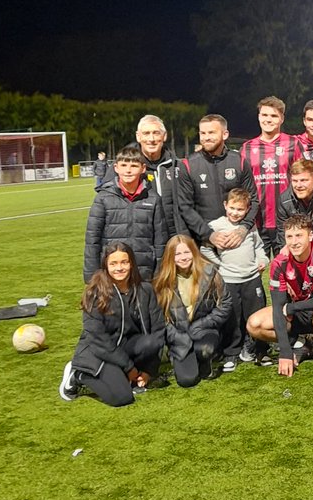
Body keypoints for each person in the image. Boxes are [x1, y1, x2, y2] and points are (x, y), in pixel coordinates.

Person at [60, 242, 164, 406]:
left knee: (151, 342)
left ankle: (124, 375)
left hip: (127, 348)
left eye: (124, 262)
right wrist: (130, 368)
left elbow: (158, 331)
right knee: (122, 398)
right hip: (99, 352)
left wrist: (148, 372)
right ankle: (78, 375)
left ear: (131, 264)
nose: (119, 268)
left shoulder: (145, 290)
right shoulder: (95, 293)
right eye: (113, 263)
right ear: (105, 266)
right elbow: (98, 339)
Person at [247, 215, 313, 375]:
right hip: (298, 316)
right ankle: (300, 342)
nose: (294, 242)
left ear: (310, 236)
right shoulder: (279, 263)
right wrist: (285, 351)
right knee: (254, 324)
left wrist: (292, 307)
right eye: (289, 237)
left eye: (299, 235)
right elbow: (279, 307)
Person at [201, 188, 271, 371]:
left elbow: (259, 247)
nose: (235, 213)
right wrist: (220, 265)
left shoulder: (249, 227)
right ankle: (231, 352)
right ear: (225, 205)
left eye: (240, 210)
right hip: (228, 280)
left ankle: (259, 349)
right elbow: (205, 250)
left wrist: (262, 260)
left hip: (252, 278)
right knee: (232, 317)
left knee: (255, 314)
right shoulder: (216, 226)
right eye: (232, 208)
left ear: (247, 210)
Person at [152, 235, 232, 388]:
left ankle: (206, 359)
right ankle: (178, 356)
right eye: (177, 254)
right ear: (170, 256)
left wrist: (202, 324)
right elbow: (159, 318)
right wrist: (176, 336)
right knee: (187, 380)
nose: (183, 257)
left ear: (194, 252)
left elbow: (225, 304)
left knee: (205, 349)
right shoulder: (162, 280)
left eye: (186, 252)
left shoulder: (210, 271)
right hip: (179, 336)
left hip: (203, 330)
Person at [83, 146, 167, 283]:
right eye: (123, 165)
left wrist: (159, 274)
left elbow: (160, 241)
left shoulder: (153, 199)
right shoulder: (103, 198)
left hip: (143, 273)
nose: (128, 170)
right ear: (116, 167)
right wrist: (92, 277)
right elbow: (92, 240)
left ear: (143, 168)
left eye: (134, 166)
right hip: (112, 272)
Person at [178, 114, 259, 252]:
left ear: (225, 134)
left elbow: (254, 200)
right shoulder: (188, 164)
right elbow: (185, 207)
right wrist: (209, 235)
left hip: (236, 240)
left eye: (211, 132)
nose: (206, 137)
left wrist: (243, 229)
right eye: (202, 133)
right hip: (205, 243)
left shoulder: (239, 161)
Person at [240, 96, 298, 254]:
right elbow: (243, 186)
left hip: (287, 219)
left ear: (281, 118)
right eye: (264, 115)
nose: (268, 119)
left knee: (289, 270)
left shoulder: (293, 144)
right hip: (257, 221)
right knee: (254, 270)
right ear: (259, 117)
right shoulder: (246, 148)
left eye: (273, 116)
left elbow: (303, 176)